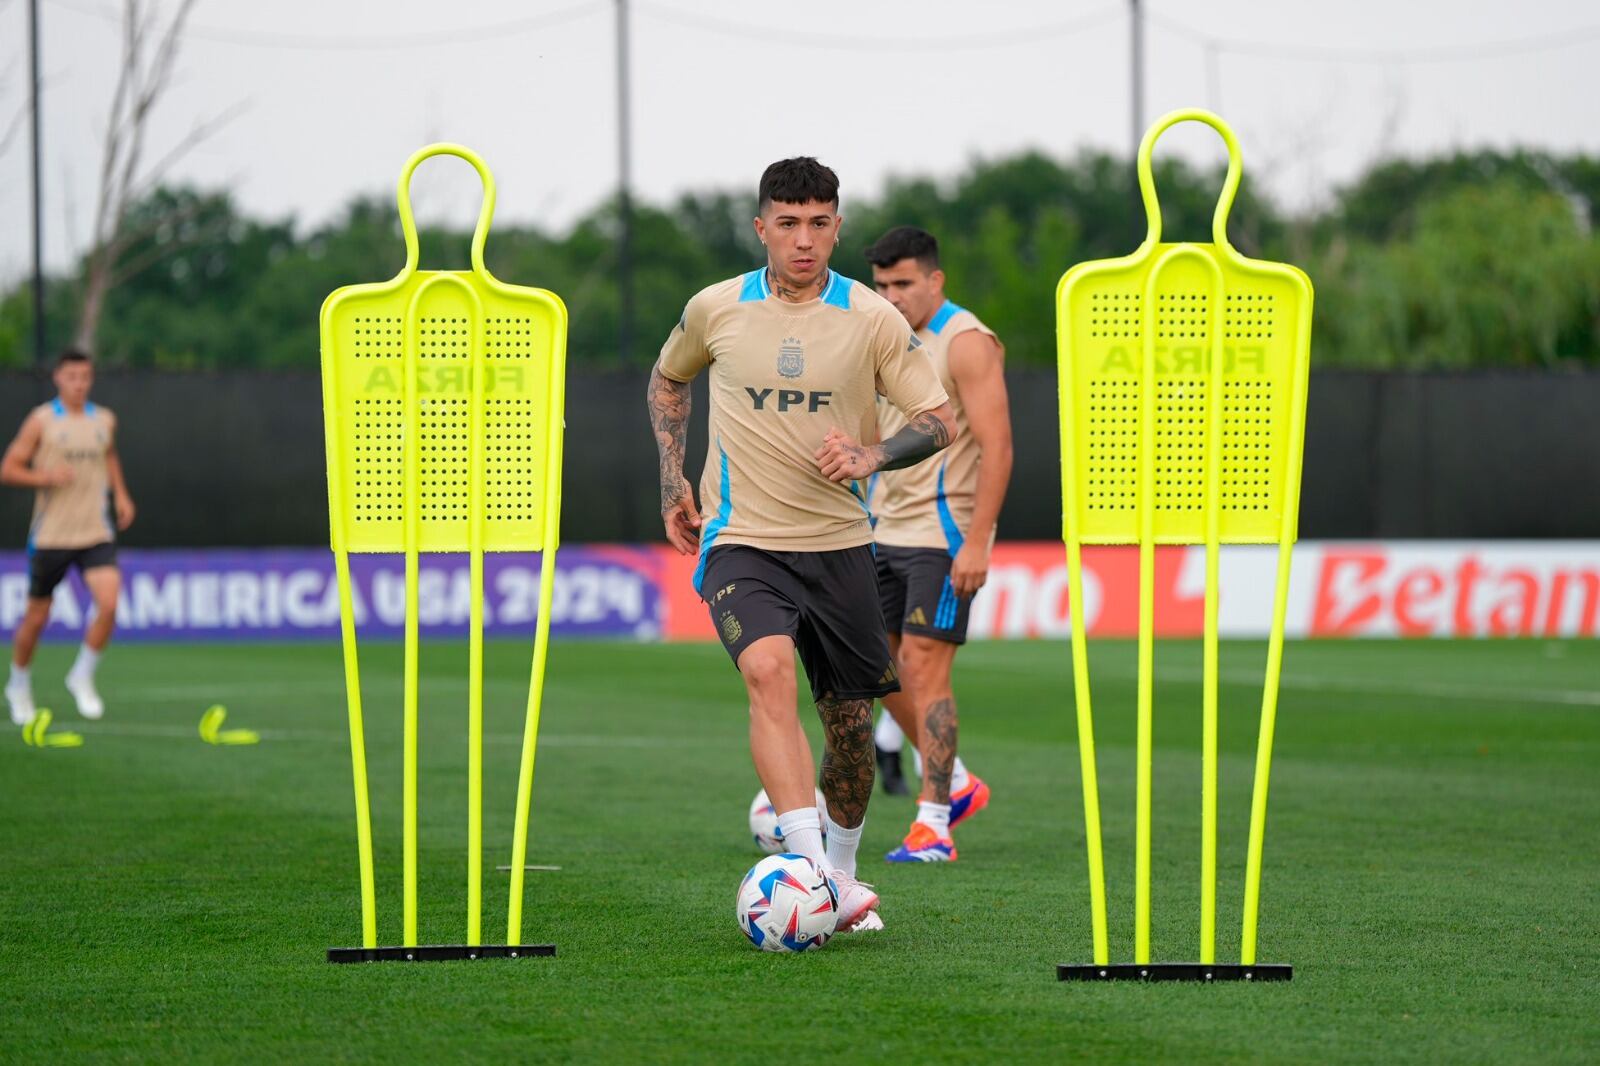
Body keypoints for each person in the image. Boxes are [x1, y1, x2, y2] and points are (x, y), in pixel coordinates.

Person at [647, 159, 957, 932]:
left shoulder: (872, 318)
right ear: (762, 228)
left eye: (819, 223)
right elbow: (666, 380)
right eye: (788, 223)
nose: (804, 239)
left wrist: (873, 455)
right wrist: (671, 480)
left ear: (837, 228)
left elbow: (938, 416)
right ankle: (813, 873)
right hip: (741, 540)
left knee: (850, 729)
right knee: (766, 667)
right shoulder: (715, 308)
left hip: (842, 544)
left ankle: (841, 875)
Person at [864, 226, 1013, 863]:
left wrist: (978, 541)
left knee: (925, 668)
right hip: (880, 529)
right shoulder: (880, 337)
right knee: (875, 671)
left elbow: (999, 445)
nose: (892, 296)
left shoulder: (966, 341)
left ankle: (932, 824)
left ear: (934, 280)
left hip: (943, 535)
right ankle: (961, 782)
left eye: (902, 284)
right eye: (881, 285)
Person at [2, 350, 136, 725]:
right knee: (36, 616)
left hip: (95, 530)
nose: (80, 383)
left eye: (86, 376)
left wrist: (121, 495)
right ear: (58, 378)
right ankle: (18, 683)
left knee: (108, 604)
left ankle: (81, 675)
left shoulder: (104, 419)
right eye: (72, 376)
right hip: (52, 535)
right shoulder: (41, 421)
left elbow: (109, 457)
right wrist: (44, 478)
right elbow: (9, 469)